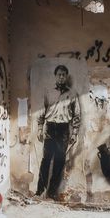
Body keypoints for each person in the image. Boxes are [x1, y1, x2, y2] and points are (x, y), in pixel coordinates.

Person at [36, 65, 81, 200]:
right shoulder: (48, 91)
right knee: (46, 161)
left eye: (63, 75)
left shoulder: (72, 94)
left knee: (59, 162)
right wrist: (39, 128)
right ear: (56, 76)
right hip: (50, 128)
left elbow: (77, 115)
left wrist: (74, 133)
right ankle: (39, 191)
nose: (61, 77)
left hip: (63, 130)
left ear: (66, 77)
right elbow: (41, 111)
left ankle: (52, 192)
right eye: (59, 74)